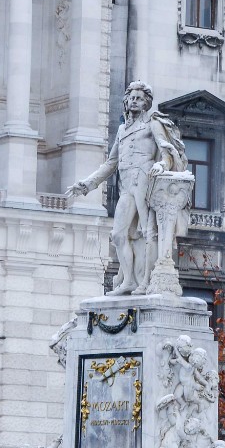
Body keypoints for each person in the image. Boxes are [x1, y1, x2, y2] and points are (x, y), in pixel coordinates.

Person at [67, 81, 187, 295]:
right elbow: (111, 163)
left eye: (139, 98)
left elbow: (166, 151)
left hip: (145, 179)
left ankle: (146, 282)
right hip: (127, 185)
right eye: (131, 97)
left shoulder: (153, 124)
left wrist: (162, 164)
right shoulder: (122, 129)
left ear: (146, 103)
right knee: (118, 234)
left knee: (148, 232)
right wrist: (88, 184)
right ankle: (129, 280)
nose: (134, 101)